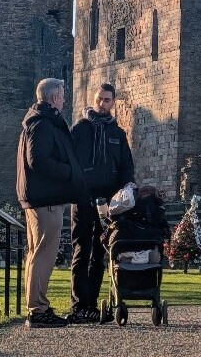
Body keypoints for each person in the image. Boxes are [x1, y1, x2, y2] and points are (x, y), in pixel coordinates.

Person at [16, 77, 86, 328]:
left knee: (36, 253)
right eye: (63, 95)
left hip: (39, 196)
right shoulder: (43, 124)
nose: (65, 99)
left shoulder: (37, 120)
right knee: (44, 253)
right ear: (55, 97)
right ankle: (38, 310)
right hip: (45, 198)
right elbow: (39, 161)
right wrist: (69, 172)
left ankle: (36, 307)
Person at [68, 83, 134, 323]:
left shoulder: (117, 133)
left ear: (113, 102)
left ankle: (92, 305)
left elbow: (126, 165)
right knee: (81, 250)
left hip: (107, 201)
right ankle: (78, 305)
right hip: (83, 197)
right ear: (93, 99)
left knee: (100, 251)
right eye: (99, 99)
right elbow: (69, 161)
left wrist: (127, 188)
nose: (102, 103)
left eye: (107, 100)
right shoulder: (79, 129)